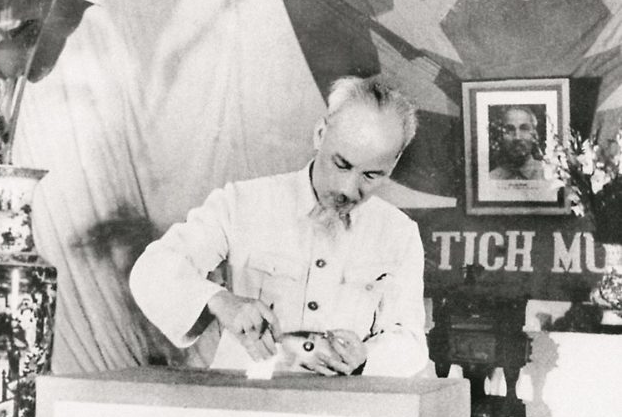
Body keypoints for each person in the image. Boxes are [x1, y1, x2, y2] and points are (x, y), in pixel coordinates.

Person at [130, 75, 430, 378]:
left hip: (343, 404)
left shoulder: (399, 234)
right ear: (320, 133)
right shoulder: (241, 203)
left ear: (394, 164)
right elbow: (151, 270)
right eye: (341, 165)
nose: (348, 190)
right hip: (244, 399)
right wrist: (218, 300)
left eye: (372, 175)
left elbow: (411, 341)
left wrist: (366, 357)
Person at [489, 105, 545, 180]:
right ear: (501, 136)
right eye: (510, 129)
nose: (517, 137)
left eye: (524, 129)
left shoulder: (549, 175)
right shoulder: (491, 178)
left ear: (534, 135)